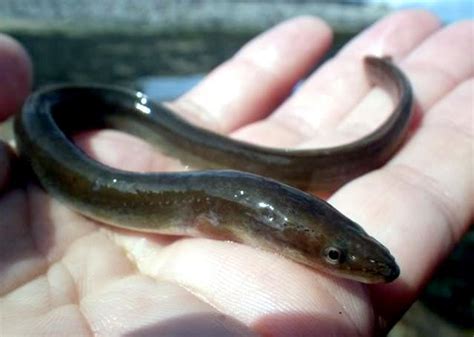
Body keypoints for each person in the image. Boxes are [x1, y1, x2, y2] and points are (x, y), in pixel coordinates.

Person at [0, 10, 472, 337]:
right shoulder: (218, 208)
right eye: (334, 255)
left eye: (337, 251)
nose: (371, 271)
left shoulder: (234, 208)